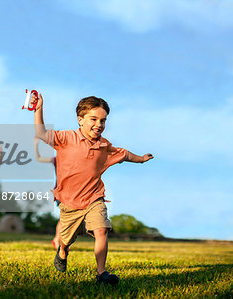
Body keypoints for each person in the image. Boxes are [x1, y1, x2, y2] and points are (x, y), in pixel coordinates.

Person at [32, 94, 153, 284]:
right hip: (69, 202)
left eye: (103, 120)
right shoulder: (66, 138)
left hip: (94, 198)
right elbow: (41, 134)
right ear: (80, 120)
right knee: (66, 239)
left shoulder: (103, 145)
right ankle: (62, 250)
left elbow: (124, 154)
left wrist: (141, 159)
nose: (99, 124)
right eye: (94, 119)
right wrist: (38, 109)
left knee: (101, 230)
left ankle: (101, 273)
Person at [33, 137, 61, 249]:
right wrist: (36, 145)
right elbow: (39, 158)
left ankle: (58, 240)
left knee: (66, 218)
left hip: (72, 191)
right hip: (60, 191)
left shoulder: (73, 159)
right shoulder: (56, 159)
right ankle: (58, 240)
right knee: (64, 217)